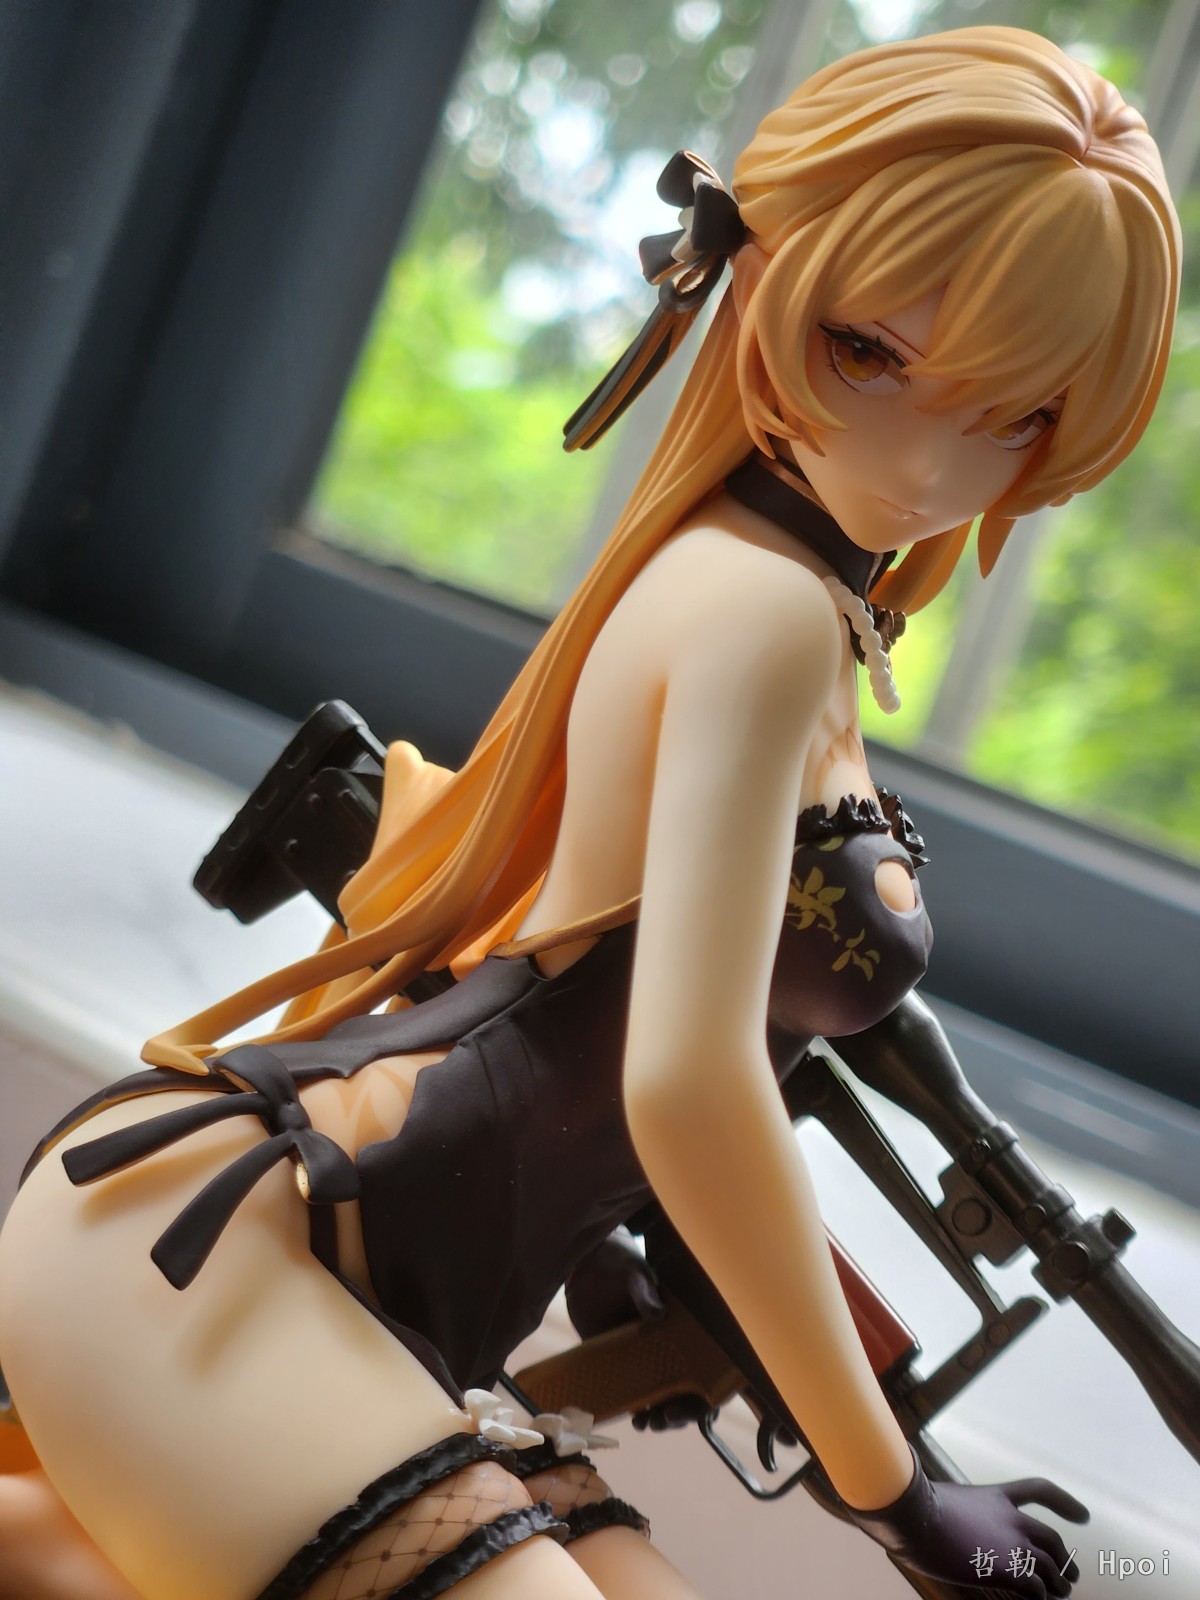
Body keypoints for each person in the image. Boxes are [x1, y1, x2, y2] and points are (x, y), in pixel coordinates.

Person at [0, 24, 1180, 1600]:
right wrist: (896, 1496)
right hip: (237, 1242)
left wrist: (612, 1236)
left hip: (378, 1287)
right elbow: (687, 1083)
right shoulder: (761, 612)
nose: (925, 458)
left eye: (1014, 417)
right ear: (758, 277)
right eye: (868, 354)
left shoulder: (792, 604)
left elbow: (581, 983)